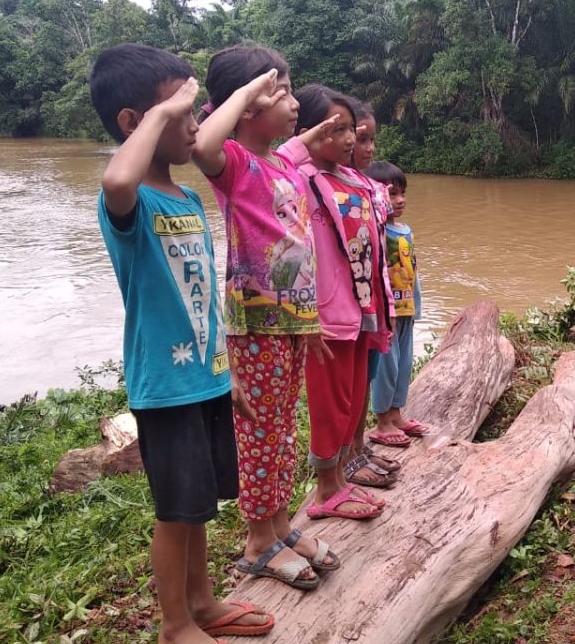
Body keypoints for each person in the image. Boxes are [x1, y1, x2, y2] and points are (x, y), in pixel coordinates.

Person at [91, 43, 273, 642]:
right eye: (182, 111)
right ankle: (175, 625)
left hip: (204, 376)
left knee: (200, 505)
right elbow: (119, 172)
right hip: (165, 387)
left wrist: (228, 372)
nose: (193, 123)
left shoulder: (188, 199)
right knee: (174, 512)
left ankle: (201, 601)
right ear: (134, 122)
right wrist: (163, 114)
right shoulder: (129, 200)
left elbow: (203, 295)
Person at [192, 46, 339, 590]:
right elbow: (203, 144)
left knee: (281, 430)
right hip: (255, 324)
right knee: (259, 431)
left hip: (293, 321)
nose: (294, 101)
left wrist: (312, 318)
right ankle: (258, 542)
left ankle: (280, 527)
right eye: (281, 92)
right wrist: (246, 93)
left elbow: (300, 145)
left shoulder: (281, 163)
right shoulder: (235, 164)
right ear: (247, 106)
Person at [280, 84, 388, 519]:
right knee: (329, 401)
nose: (349, 138)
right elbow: (275, 163)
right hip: (325, 313)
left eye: (351, 129)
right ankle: (326, 488)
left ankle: (341, 477)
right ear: (307, 133)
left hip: (361, 305)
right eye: (336, 129)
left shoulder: (351, 177)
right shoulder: (298, 178)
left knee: (352, 395)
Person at [341, 103, 404, 486]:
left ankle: (358, 446)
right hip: (347, 308)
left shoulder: (370, 189)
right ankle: (346, 457)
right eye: (357, 137)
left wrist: (389, 305)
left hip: (374, 302)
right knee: (348, 388)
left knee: (365, 378)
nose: (365, 146)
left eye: (368, 138)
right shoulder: (322, 185)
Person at [364, 160, 429, 446]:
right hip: (385, 315)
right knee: (385, 368)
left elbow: (412, 272)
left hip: (406, 312)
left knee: (403, 364)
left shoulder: (405, 231)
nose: (400, 200)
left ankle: (396, 414)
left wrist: (417, 306)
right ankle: (381, 423)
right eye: (392, 194)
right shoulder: (374, 232)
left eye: (403, 193)